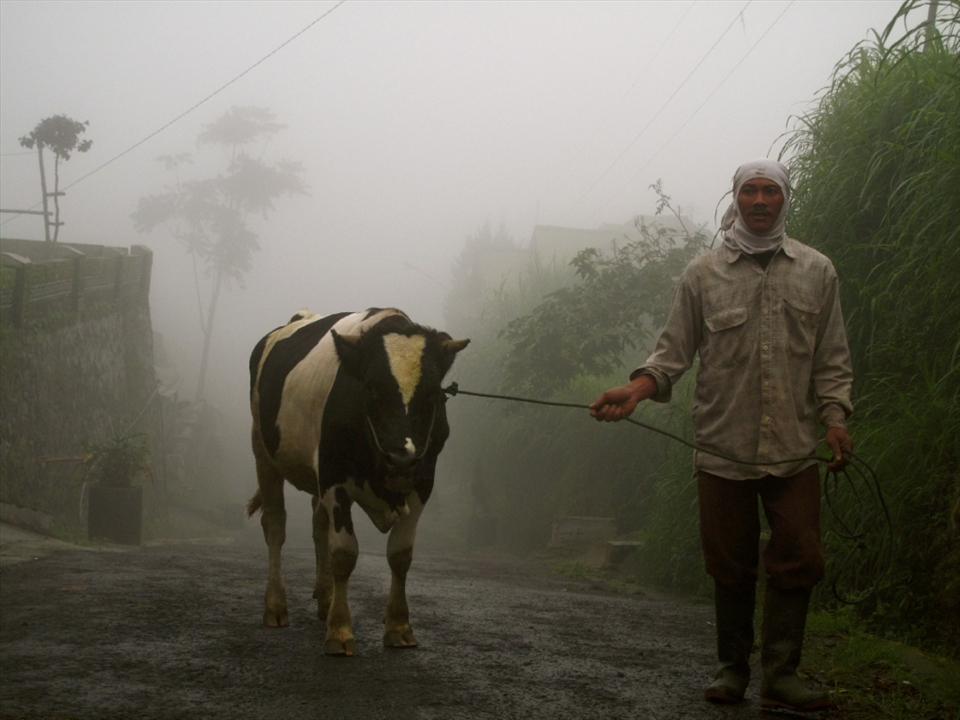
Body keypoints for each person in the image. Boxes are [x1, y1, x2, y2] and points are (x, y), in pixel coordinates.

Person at [590, 159, 853, 712]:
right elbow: (671, 355)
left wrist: (835, 420)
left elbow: (831, 358)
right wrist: (635, 390)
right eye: (749, 191)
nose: (759, 201)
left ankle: (781, 676)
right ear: (735, 199)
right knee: (729, 563)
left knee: (800, 556)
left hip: (795, 447)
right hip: (721, 446)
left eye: (770, 191)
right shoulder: (702, 274)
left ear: (784, 199)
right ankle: (732, 670)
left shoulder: (817, 270)